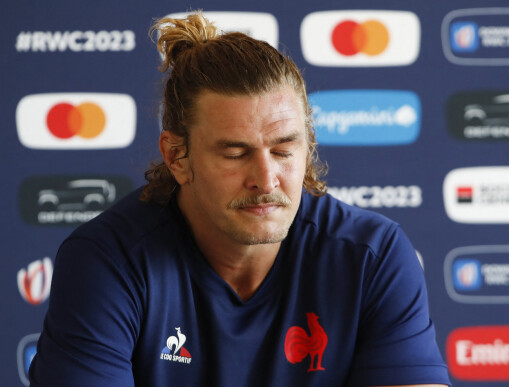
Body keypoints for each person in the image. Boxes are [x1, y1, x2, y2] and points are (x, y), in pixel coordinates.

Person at [30, 11, 451, 387]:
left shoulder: (372, 256)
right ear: (177, 157)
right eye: (235, 154)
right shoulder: (108, 261)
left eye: (285, 151)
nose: (266, 179)